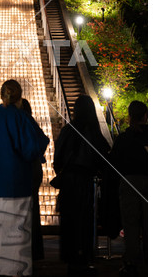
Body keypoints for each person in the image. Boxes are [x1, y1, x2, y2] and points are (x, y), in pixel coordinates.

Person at [0, 80, 49, 277]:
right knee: (16, 238)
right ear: (20, 96)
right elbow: (35, 145)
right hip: (17, 185)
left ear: (2, 95)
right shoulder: (22, 118)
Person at [53, 95, 110, 277]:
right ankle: (84, 258)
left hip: (69, 182)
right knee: (85, 222)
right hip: (86, 182)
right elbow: (103, 156)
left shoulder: (67, 130)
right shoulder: (93, 131)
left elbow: (57, 160)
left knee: (70, 221)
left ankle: (71, 260)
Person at [110, 101, 148, 277]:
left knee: (131, 224)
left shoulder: (124, 138)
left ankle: (131, 260)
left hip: (130, 181)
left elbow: (114, 161)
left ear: (130, 115)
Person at [17, 97, 44, 261]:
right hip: (33, 169)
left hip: (21, 170)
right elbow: (43, 141)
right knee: (32, 211)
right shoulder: (30, 122)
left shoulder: (15, 122)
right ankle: (34, 251)